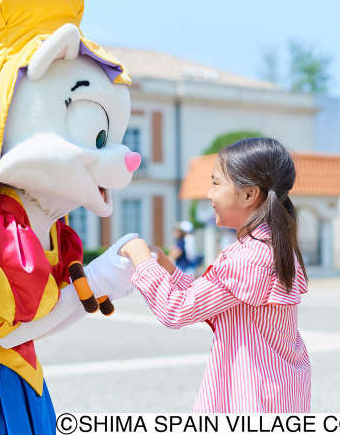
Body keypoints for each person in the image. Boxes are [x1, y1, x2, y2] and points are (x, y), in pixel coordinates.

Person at [121, 137, 311, 412]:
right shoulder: (265, 246)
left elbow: (177, 310)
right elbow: (211, 299)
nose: (209, 195)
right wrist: (168, 268)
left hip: (251, 398)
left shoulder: (249, 257)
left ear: (248, 194)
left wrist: (141, 259)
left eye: (216, 183)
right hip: (275, 392)